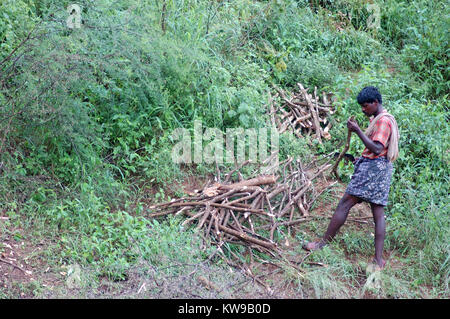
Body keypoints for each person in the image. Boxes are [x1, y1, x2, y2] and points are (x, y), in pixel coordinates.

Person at [302, 86, 399, 270]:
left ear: (375, 103)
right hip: (381, 170)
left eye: (365, 106)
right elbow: (379, 150)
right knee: (378, 214)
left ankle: (322, 244)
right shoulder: (382, 119)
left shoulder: (383, 122)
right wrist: (359, 159)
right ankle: (378, 260)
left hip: (373, 171)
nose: (363, 109)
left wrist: (357, 130)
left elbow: (377, 149)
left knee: (345, 204)